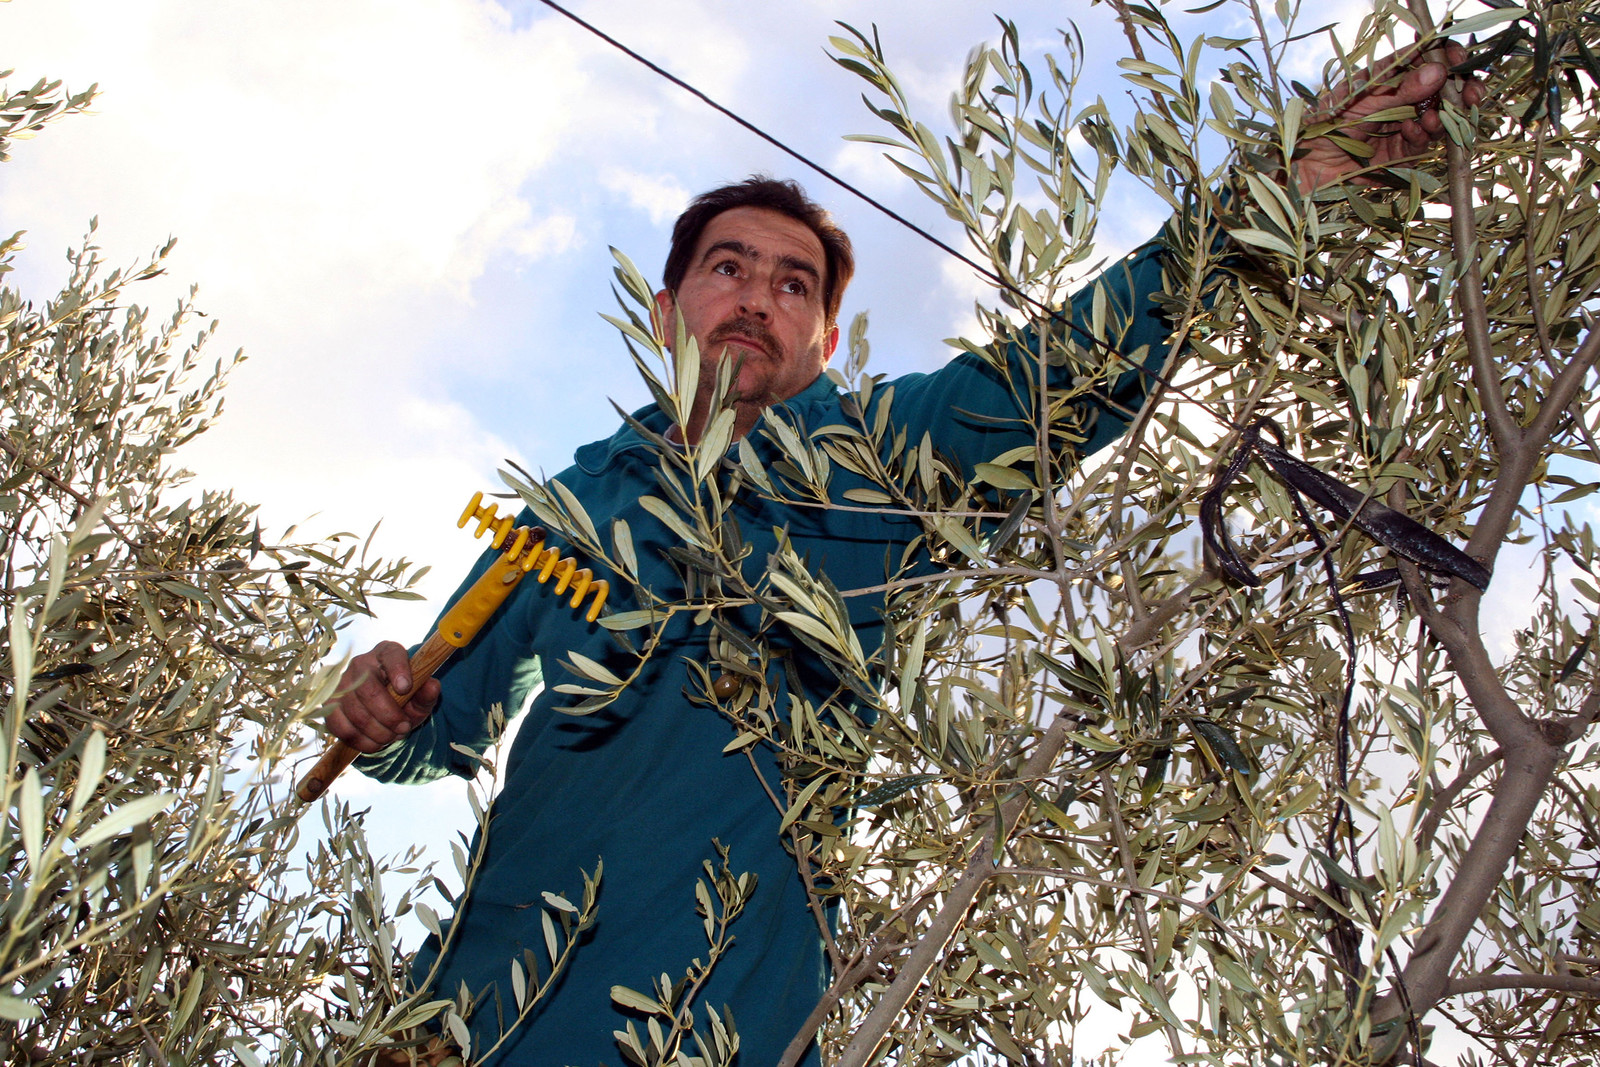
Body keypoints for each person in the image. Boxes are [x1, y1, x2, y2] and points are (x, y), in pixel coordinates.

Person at [326, 46, 1481, 1067]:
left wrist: (1276, 189)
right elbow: (434, 727)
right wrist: (378, 707)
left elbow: (1061, 369)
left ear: (824, 340)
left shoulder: (879, 460)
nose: (758, 297)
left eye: (794, 284)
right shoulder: (566, 507)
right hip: (469, 1018)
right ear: (667, 307)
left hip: (709, 1022)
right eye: (729, 267)